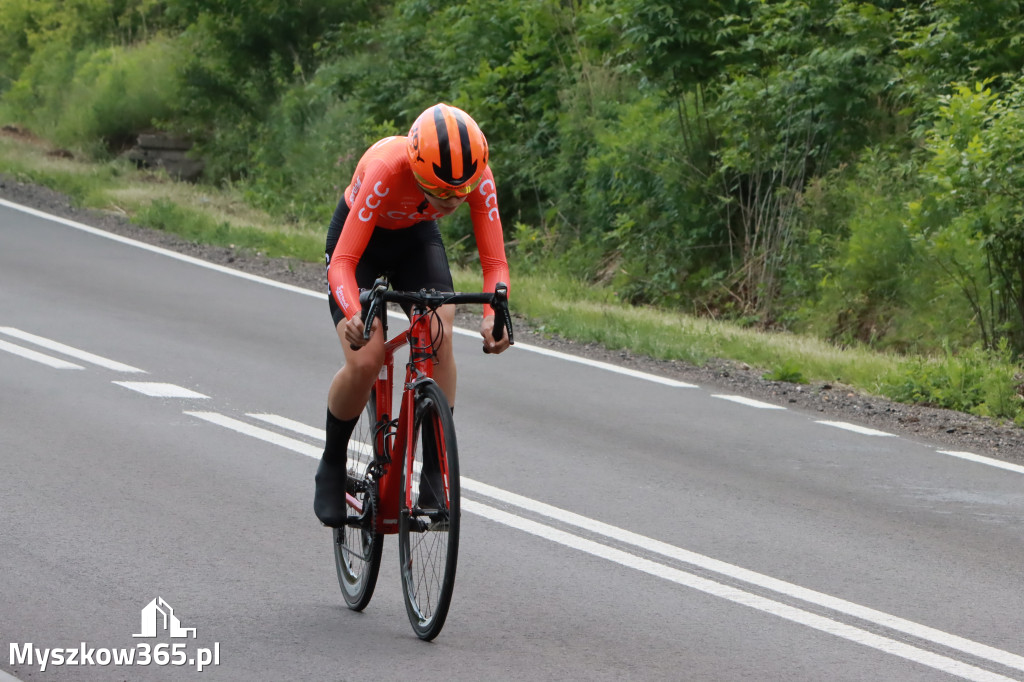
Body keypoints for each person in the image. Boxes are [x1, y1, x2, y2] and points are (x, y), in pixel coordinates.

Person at [314, 103, 511, 526]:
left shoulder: (476, 177)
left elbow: (496, 266)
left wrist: (496, 312)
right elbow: (344, 262)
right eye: (440, 194)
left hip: (414, 241)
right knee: (366, 357)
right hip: (360, 244)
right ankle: (331, 465)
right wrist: (352, 311)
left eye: (459, 195)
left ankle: (436, 470)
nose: (451, 202)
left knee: (439, 332)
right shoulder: (388, 168)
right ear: (418, 172)